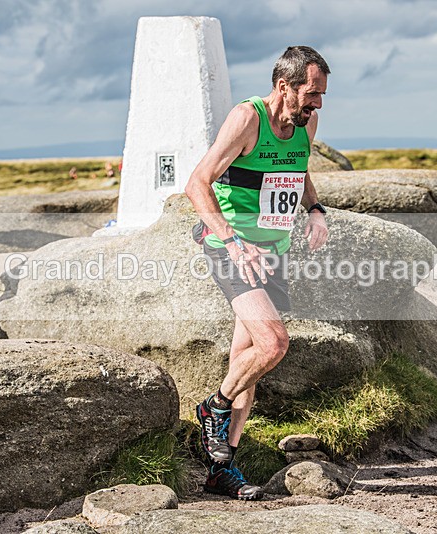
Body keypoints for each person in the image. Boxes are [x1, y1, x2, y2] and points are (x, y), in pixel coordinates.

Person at [185, 46, 330, 500]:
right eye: (312, 93)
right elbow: (197, 182)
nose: (318, 103)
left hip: (273, 251)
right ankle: (214, 406)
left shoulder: (306, 123)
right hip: (232, 249)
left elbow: (297, 168)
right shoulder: (247, 119)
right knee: (274, 343)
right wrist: (231, 239)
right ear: (284, 86)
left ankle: (220, 469)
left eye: (323, 95)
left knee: (247, 360)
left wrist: (316, 209)